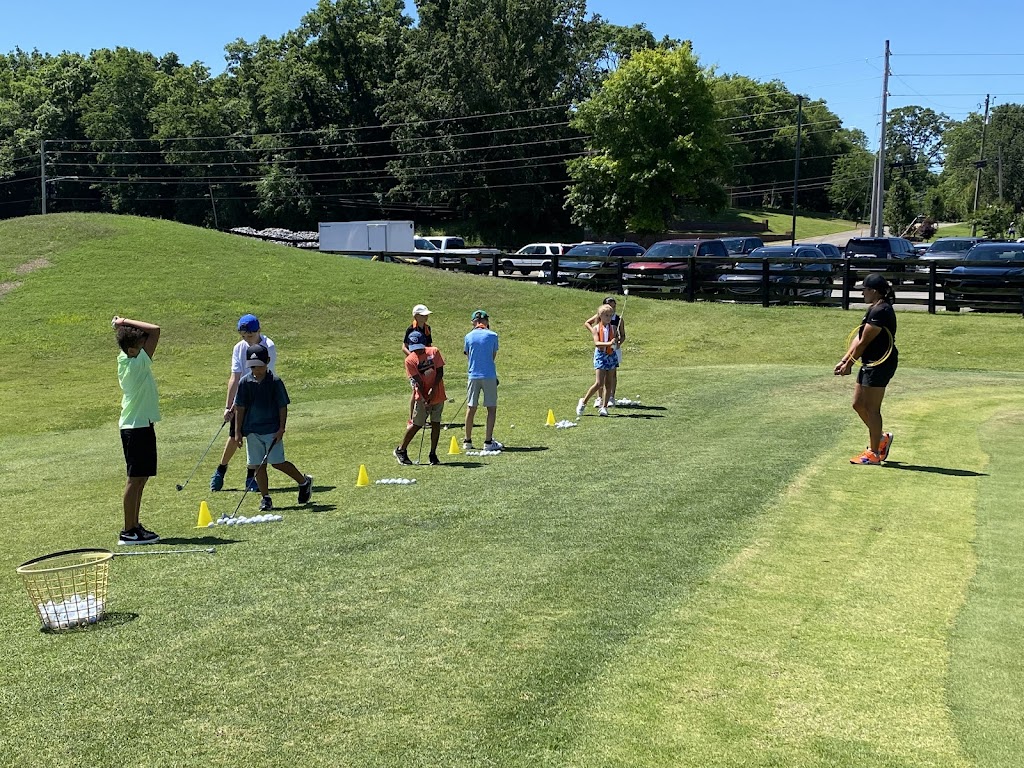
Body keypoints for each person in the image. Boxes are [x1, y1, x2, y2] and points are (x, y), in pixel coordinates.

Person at [233, 344, 313, 511]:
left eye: (260, 365)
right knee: (257, 465)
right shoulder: (245, 382)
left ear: (268, 361)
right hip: (252, 430)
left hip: (272, 429)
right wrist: (237, 431)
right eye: (253, 366)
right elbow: (240, 408)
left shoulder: (275, 382)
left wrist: (281, 428)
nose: (257, 369)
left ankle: (303, 481)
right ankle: (266, 498)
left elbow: (282, 406)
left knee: (277, 462)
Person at [834, 273, 899, 465]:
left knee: (872, 408)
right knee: (858, 404)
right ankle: (880, 439)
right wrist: (844, 360)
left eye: (864, 290)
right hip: (870, 362)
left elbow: (864, 342)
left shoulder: (881, 311)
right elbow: (859, 337)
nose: (862, 293)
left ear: (873, 291)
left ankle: (874, 454)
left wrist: (849, 365)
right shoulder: (874, 308)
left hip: (880, 363)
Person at [210, 314, 277, 492]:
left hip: (261, 398)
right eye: (244, 337)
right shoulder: (239, 348)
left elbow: (260, 375)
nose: (247, 340)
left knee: (254, 438)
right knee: (234, 436)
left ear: (258, 331)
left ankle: (251, 478)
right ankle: (220, 470)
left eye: (250, 336)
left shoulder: (268, 347)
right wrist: (229, 405)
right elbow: (235, 377)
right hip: (242, 398)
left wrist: (243, 399)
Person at [113, 315, 162, 545]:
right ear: (133, 350)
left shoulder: (125, 358)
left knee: (141, 478)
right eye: (141, 345)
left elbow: (147, 335)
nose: (146, 347)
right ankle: (127, 531)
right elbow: (155, 330)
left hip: (140, 424)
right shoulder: (137, 363)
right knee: (134, 480)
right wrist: (124, 320)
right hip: (136, 427)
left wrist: (122, 326)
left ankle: (134, 526)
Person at [394, 331, 445, 465]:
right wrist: (425, 398)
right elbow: (418, 381)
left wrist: (433, 389)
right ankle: (401, 450)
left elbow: (440, 372)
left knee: (436, 423)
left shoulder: (434, 352)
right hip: (421, 396)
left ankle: (433, 454)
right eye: (414, 349)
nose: (418, 351)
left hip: (438, 394)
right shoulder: (410, 360)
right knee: (417, 424)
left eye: (420, 347)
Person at [463, 310, 503, 451]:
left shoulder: (468, 336)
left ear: (474, 322)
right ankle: (487, 442)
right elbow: (493, 356)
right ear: (486, 321)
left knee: (471, 407)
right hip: (489, 375)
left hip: (473, 375)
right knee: (491, 408)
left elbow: (468, 356)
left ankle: (467, 441)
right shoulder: (493, 335)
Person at [576, 303, 618, 417]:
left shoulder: (613, 328)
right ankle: (583, 401)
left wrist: (615, 343)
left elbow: (617, 341)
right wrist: (609, 343)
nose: (609, 318)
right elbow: (597, 343)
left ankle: (604, 407)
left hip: (611, 356)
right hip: (600, 355)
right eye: (606, 316)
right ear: (600, 316)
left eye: (610, 315)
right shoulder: (595, 328)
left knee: (609, 383)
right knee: (599, 383)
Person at [584, 296, 625, 407]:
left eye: (613, 307)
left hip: (613, 350)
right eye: (610, 306)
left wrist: (617, 344)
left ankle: (609, 399)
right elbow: (588, 324)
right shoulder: (600, 318)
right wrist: (594, 332)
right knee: (599, 380)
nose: (611, 309)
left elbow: (622, 335)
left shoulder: (617, 319)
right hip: (602, 351)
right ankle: (598, 398)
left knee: (611, 377)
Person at [402, 304, 433, 426]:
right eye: (423, 315)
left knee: (425, 389)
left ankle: (422, 418)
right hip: (415, 366)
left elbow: (429, 346)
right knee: (416, 391)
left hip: (426, 364)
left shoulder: (427, 329)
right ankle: (412, 419)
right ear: (416, 316)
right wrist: (413, 358)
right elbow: (404, 347)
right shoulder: (411, 329)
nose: (426, 317)